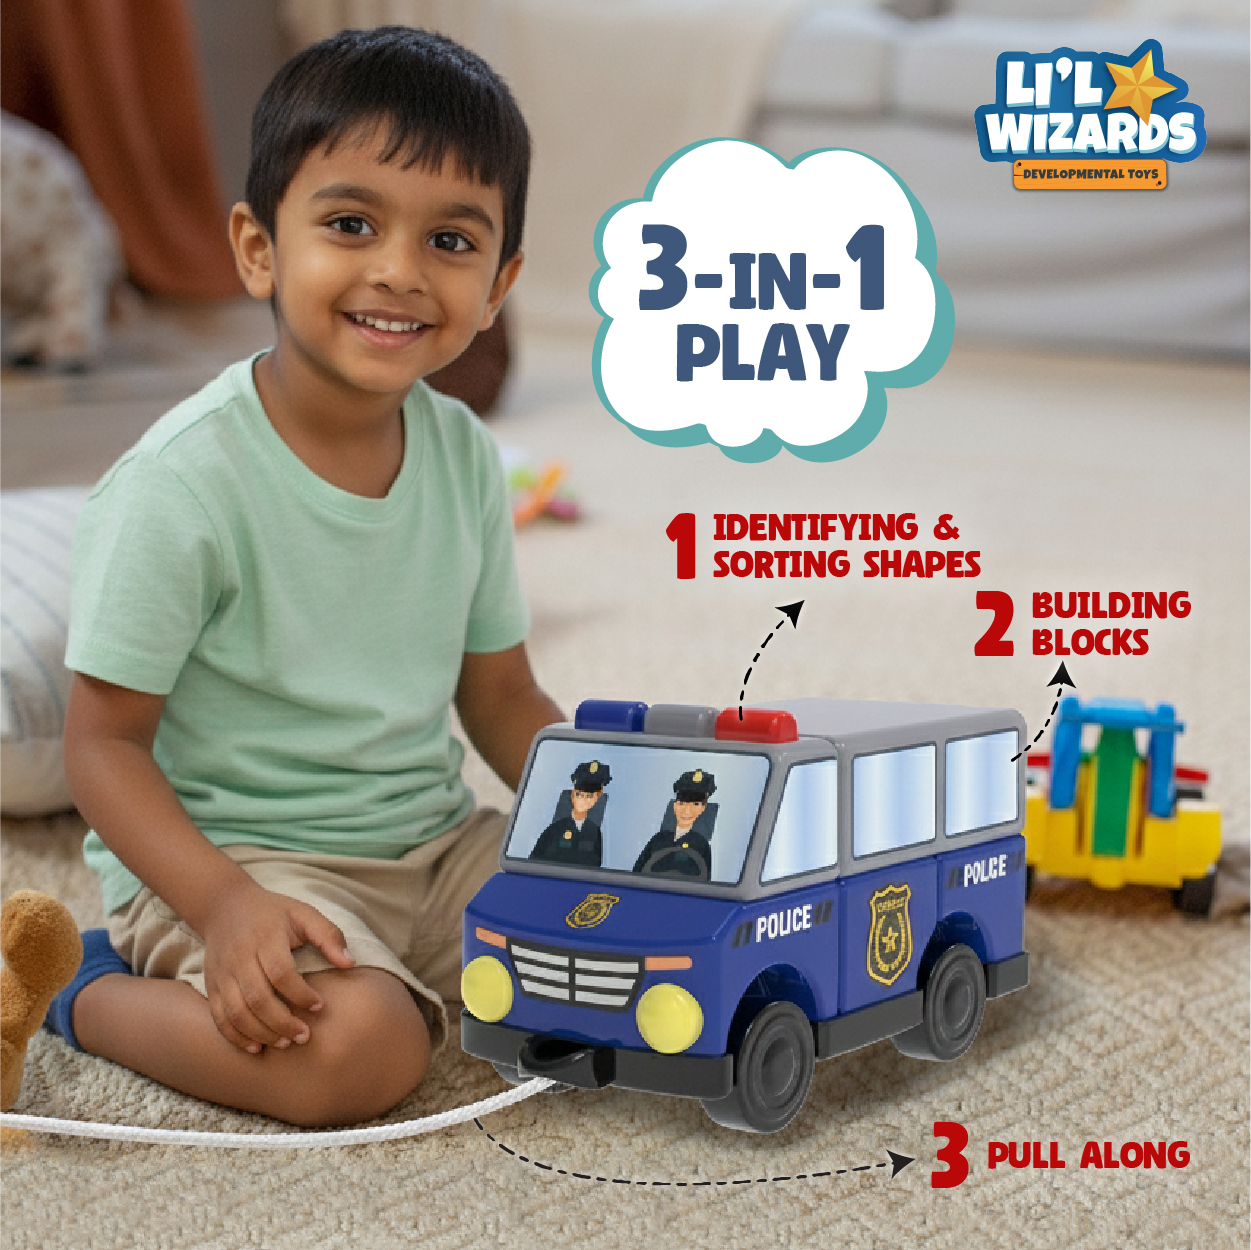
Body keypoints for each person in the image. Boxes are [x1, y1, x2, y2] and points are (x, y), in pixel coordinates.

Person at [51, 27, 563, 1128]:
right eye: (350, 224)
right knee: (360, 1051)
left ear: (498, 286)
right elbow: (100, 746)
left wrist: (612, 817)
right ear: (257, 249)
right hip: (238, 864)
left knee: (625, 941)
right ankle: (81, 988)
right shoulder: (181, 484)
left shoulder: (466, 455)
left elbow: (502, 695)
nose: (400, 270)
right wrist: (223, 904)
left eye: (451, 240)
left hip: (434, 846)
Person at [632, 770, 716, 878]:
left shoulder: (701, 845)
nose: (687, 811)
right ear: (674, 806)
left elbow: (704, 884)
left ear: (703, 808)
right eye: (681, 804)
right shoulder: (658, 839)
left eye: (695, 804)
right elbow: (634, 876)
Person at [529, 760, 611, 867]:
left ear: (596, 799)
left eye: (589, 796)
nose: (584, 800)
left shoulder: (594, 832)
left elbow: (596, 866)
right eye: (580, 795)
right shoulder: (555, 829)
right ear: (572, 796)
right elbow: (533, 863)